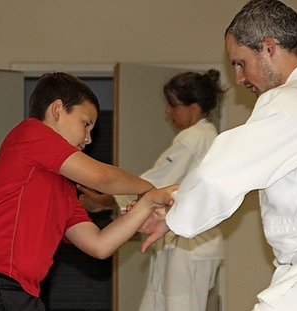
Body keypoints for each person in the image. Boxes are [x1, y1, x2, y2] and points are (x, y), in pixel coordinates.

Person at [139, 1, 297, 310]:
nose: (239, 78)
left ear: (269, 47)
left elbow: (225, 170)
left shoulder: (295, 100)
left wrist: (173, 217)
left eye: (240, 62)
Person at [0, 72, 177, 310]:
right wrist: (148, 188)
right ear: (57, 110)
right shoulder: (31, 133)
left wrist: (147, 205)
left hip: (12, 289)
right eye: (85, 124)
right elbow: (102, 178)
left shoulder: (64, 189)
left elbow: (99, 245)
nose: (88, 139)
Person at [78, 69, 225, 311]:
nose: (168, 111)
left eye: (173, 105)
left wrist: (106, 198)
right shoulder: (201, 137)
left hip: (191, 244)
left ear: (194, 107)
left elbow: (155, 183)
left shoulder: (196, 137)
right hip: (177, 240)